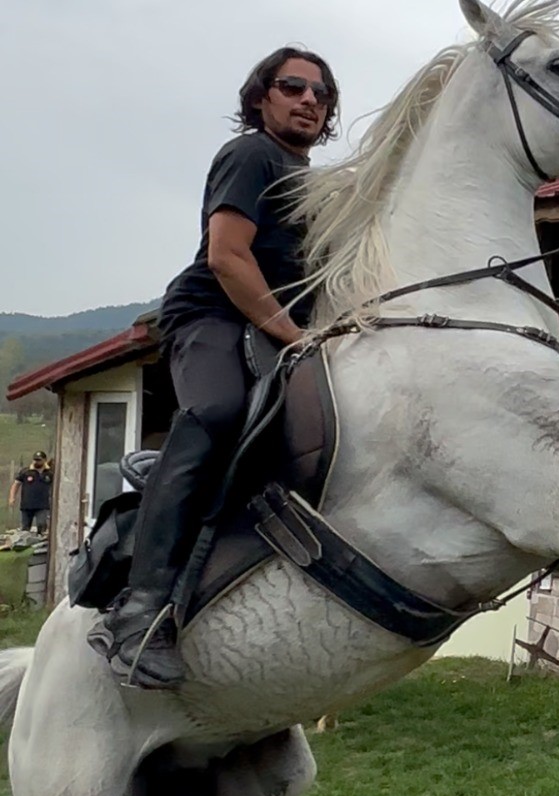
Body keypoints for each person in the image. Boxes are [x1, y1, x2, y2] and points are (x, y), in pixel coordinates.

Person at [86, 47, 341, 690]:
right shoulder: (252, 155)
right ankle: (137, 613)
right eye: (293, 86)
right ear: (261, 98)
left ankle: (170, 480)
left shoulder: (318, 182)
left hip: (278, 327)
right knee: (219, 411)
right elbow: (228, 257)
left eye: (321, 93)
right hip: (213, 316)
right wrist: (289, 333)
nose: (309, 99)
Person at [10, 451, 53, 534]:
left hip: (42, 505)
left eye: (39, 460)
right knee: (25, 528)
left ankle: (40, 543)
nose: (36, 462)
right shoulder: (26, 472)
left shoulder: (49, 473)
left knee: (42, 525)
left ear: (44, 460)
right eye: (35, 460)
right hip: (27, 505)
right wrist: (12, 497)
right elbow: (16, 484)